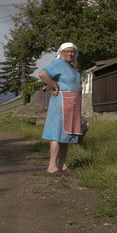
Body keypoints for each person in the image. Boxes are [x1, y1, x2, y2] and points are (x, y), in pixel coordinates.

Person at [38, 42, 82, 175]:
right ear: (61, 52)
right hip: (61, 102)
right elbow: (42, 74)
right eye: (67, 51)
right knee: (57, 133)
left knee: (66, 135)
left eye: (72, 51)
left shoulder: (72, 67)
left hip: (72, 103)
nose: (70, 54)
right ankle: (52, 166)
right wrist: (54, 85)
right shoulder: (58, 64)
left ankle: (62, 165)